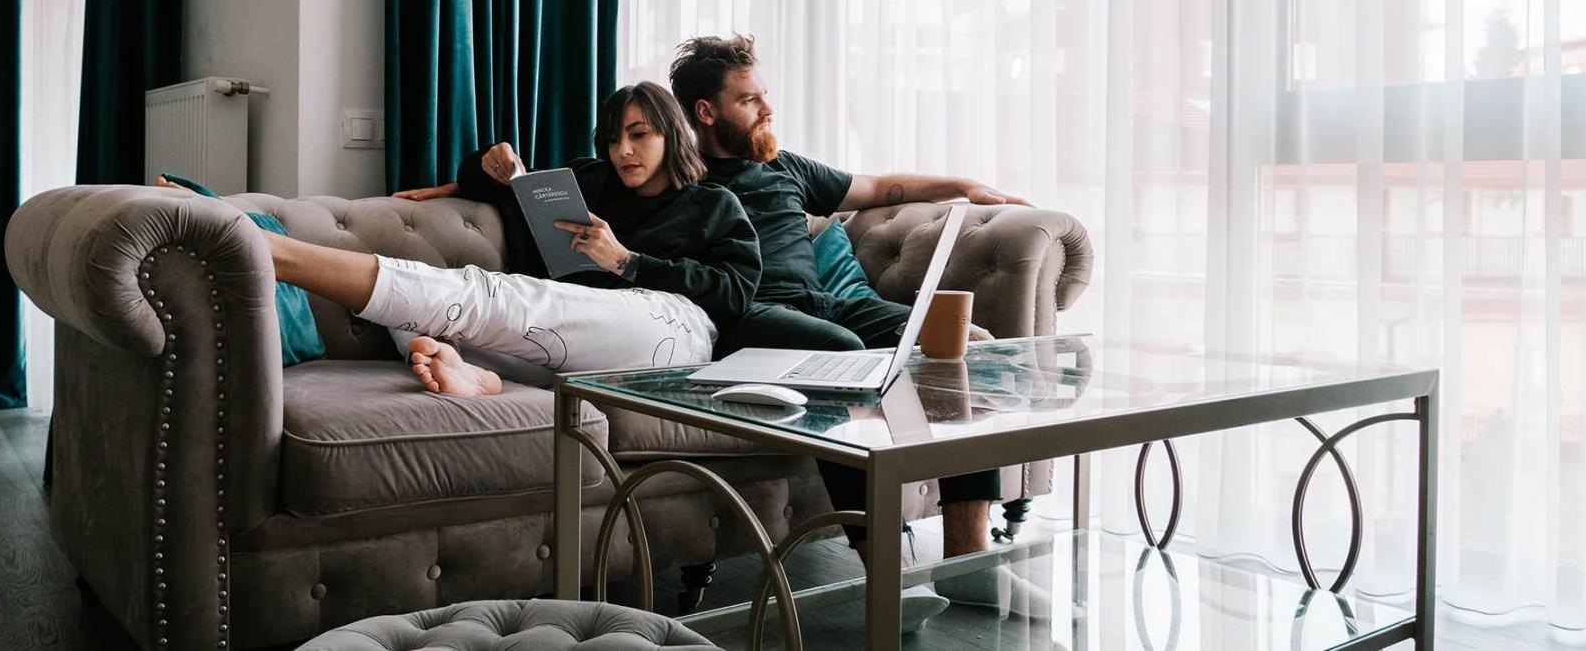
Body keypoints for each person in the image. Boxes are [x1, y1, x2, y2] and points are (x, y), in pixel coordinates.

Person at [668, 35, 1051, 628]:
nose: (767, 108)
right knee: (843, 361)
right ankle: (887, 577)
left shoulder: (783, 165)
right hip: (752, 318)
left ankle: (969, 560)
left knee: (964, 345)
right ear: (706, 112)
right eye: (750, 99)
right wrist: (483, 174)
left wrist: (963, 186)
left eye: (764, 93)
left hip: (826, 303)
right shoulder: (675, 181)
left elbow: (881, 188)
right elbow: (564, 192)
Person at [165, 81, 760, 395]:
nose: (623, 151)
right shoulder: (591, 182)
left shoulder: (713, 204)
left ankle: (268, 249)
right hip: (578, 342)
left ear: (671, 134)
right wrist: (496, 164)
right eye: (613, 138)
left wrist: (627, 262)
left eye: (639, 135)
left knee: (488, 296)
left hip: (673, 330)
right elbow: (497, 183)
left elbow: (733, 294)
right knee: (423, 319)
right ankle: (479, 375)